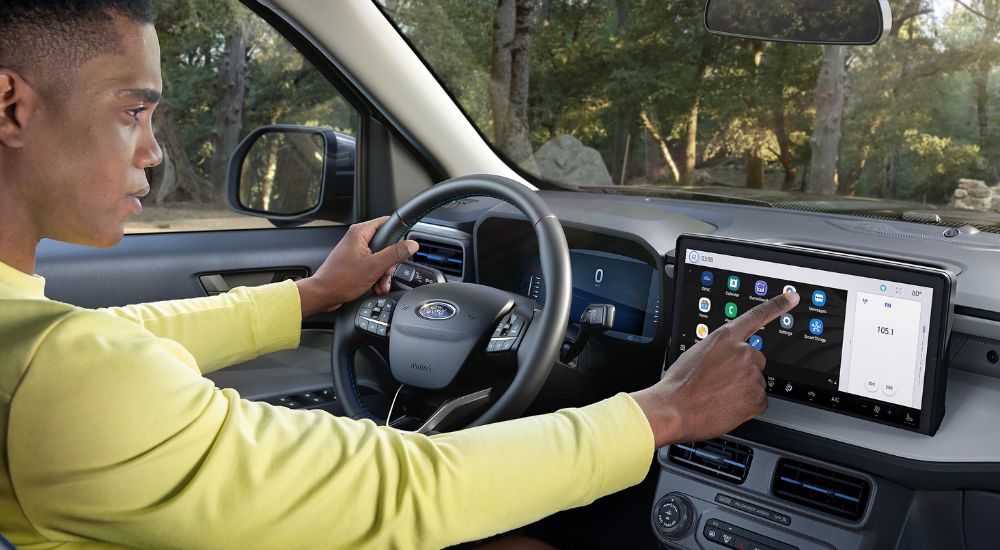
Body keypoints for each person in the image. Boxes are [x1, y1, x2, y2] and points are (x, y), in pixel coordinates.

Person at [0, 2, 798, 549]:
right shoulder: (72, 383)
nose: (154, 150)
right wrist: (663, 412)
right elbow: (409, 489)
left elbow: (110, 337)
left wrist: (312, 297)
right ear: (12, 107)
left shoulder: (40, 342)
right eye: (131, 111)